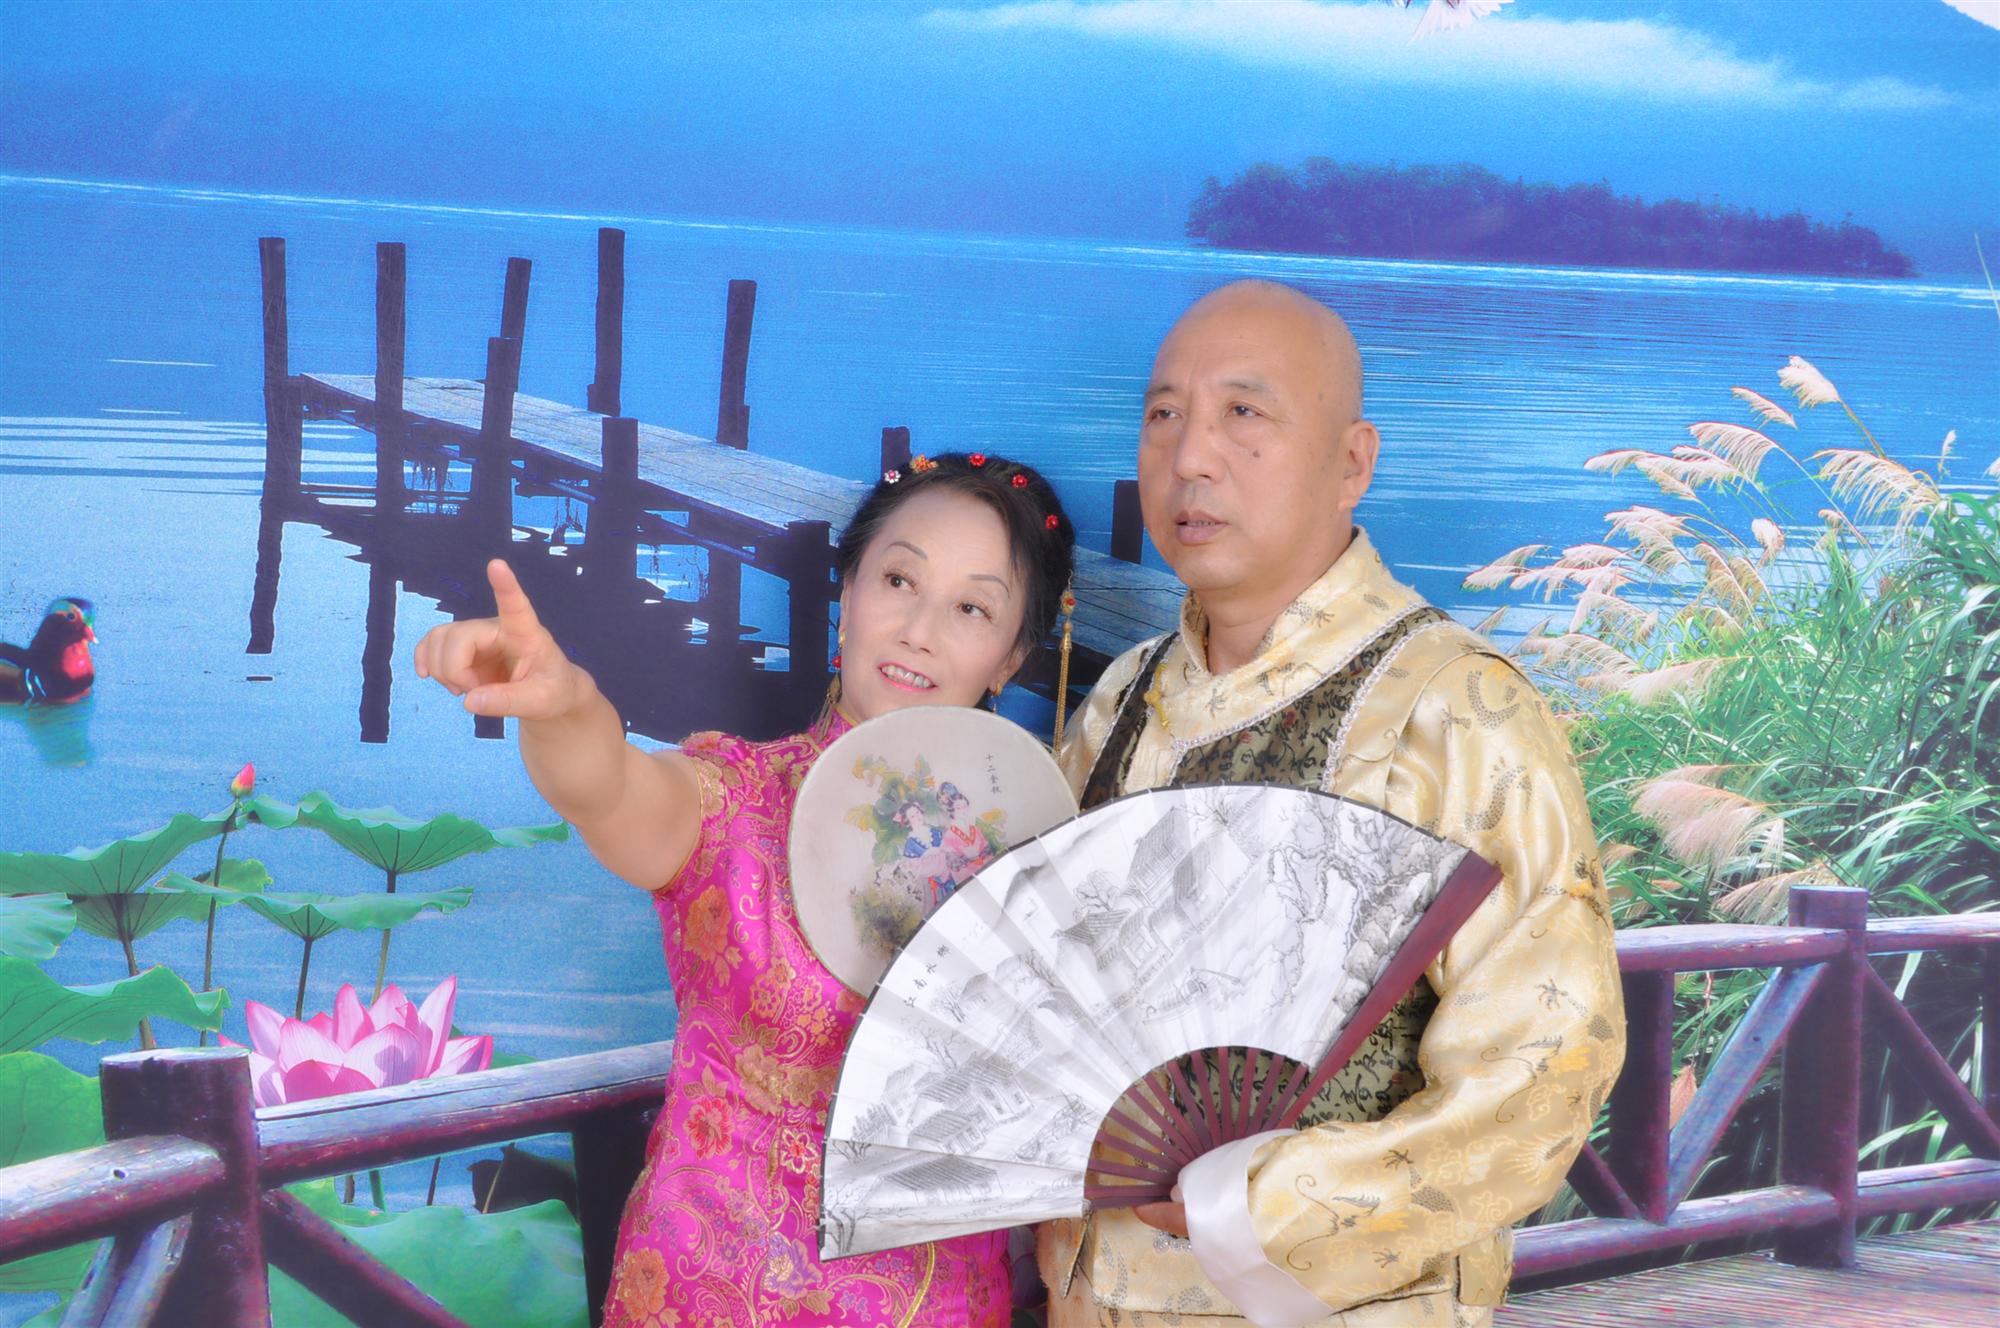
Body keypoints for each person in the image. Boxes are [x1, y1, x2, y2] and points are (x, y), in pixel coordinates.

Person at [1037, 282, 1626, 1328]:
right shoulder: (1125, 695)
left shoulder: (1452, 706)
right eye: (1164, 412)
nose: (1190, 455)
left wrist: (1257, 1205)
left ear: (1352, 462)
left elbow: (1539, 1075)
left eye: (1243, 412)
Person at [414, 451, 1075, 1328]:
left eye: (971, 608)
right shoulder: (734, 800)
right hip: (702, 1295)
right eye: (899, 580)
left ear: (1011, 656)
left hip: (938, 1307)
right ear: (847, 594)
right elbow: (609, 786)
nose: (920, 630)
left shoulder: (1045, 873)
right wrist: (562, 706)